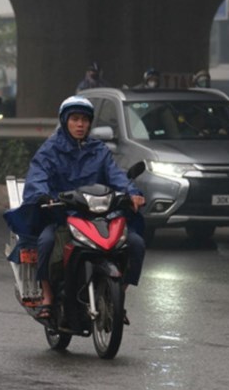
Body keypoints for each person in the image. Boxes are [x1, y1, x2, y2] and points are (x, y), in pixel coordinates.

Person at [12, 96, 146, 323]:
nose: (80, 124)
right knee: (44, 243)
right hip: (63, 215)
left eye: (84, 120)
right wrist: (42, 195)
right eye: (75, 119)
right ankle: (47, 295)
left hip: (100, 215)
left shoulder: (99, 150)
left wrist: (132, 194)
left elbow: (116, 176)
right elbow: (37, 177)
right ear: (65, 121)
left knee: (135, 243)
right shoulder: (50, 150)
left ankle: (118, 297)